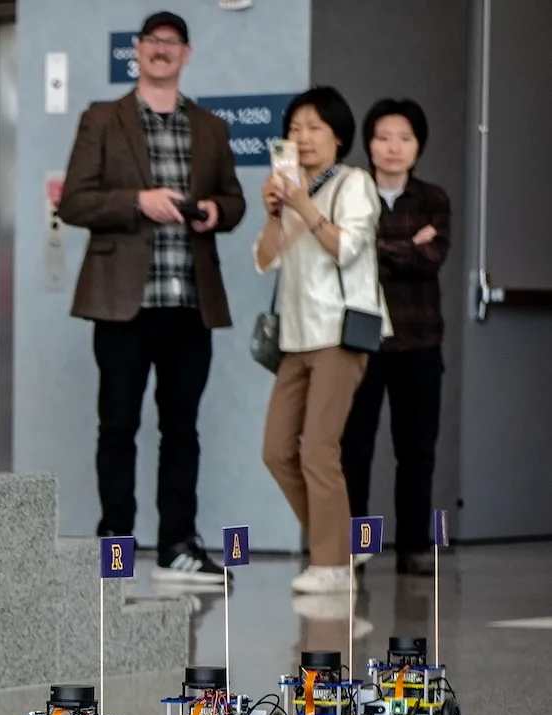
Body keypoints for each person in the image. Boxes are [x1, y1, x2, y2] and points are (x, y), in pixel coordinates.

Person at [58, 11, 246, 585]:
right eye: (152, 42)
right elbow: (74, 203)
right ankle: (115, 541)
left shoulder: (211, 126)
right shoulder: (102, 119)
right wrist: (138, 201)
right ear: (135, 52)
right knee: (117, 425)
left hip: (190, 301)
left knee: (181, 429)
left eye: (172, 43)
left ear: (186, 54)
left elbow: (234, 201)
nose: (161, 51)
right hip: (123, 301)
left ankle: (177, 544)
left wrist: (217, 212)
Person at [255, 86, 390, 596]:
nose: (303, 137)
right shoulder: (288, 189)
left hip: (340, 330)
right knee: (275, 450)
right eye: (295, 128)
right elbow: (266, 259)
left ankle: (332, 564)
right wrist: (273, 213)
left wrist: (303, 206)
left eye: (314, 127)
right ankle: (341, 542)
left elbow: (348, 248)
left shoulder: (354, 183)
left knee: (318, 448)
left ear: (338, 136)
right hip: (295, 335)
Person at [339, 99, 451, 578]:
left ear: (418, 146)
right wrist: (407, 245)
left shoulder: (433, 199)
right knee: (356, 448)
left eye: (405, 138)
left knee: (417, 449)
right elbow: (349, 253)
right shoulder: (351, 191)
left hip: (420, 337)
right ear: (369, 142)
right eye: (384, 137)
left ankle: (413, 547)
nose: (393, 147)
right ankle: (358, 547)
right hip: (365, 337)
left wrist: (378, 246)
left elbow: (433, 259)